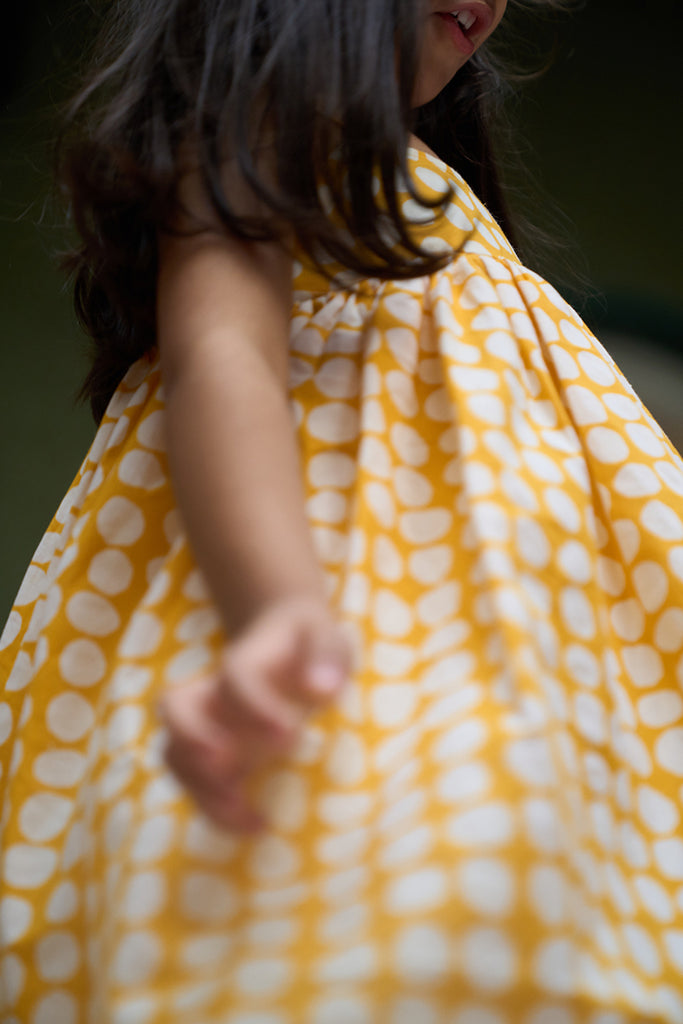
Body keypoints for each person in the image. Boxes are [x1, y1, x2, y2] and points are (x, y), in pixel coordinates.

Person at [1, 0, 682, 1020]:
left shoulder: (423, 196)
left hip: (516, 651)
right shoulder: (274, 124)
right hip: (334, 601)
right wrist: (274, 607)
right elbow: (220, 350)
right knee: (385, 884)